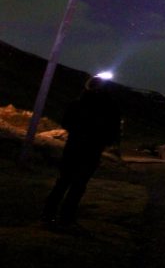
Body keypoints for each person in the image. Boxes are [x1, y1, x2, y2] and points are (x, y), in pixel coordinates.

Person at [42, 74, 122, 232]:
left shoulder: (77, 103)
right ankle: (66, 218)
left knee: (63, 181)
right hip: (92, 150)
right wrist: (103, 140)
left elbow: (66, 123)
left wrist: (78, 132)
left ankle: (48, 215)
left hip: (74, 147)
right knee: (78, 184)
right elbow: (113, 131)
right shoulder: (111, 107)